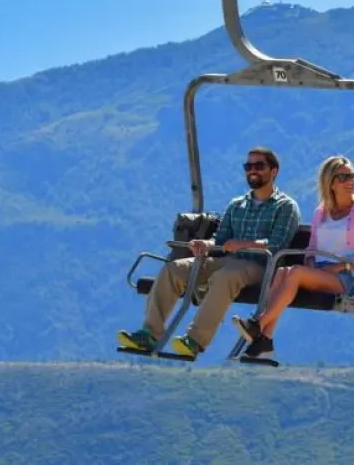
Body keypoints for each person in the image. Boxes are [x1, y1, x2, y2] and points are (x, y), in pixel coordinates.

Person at [117, 146, 301, 358]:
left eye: (259, 166)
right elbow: (221, 240)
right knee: (174, 269)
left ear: (274, 171)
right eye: (248, 166)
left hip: (261, 266)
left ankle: (195, 340)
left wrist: (242, 244)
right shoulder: (237, 204)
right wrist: (205, 243)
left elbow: (276, 244)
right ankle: (150, 333)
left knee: (226, 277)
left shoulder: (285, 206)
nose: (253, 171)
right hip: (229, 259)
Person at [233, 155, 354, 359]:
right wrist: (311, 261)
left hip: (350, 276)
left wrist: (338, 267)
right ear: (330, 182)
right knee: (283, 271)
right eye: (343, 177)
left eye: (353, 176)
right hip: (320, 271)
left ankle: (258, 324)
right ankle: (265, 340)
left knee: (294, 273)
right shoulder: (322, 211)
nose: (350, 181)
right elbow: (312, 247)